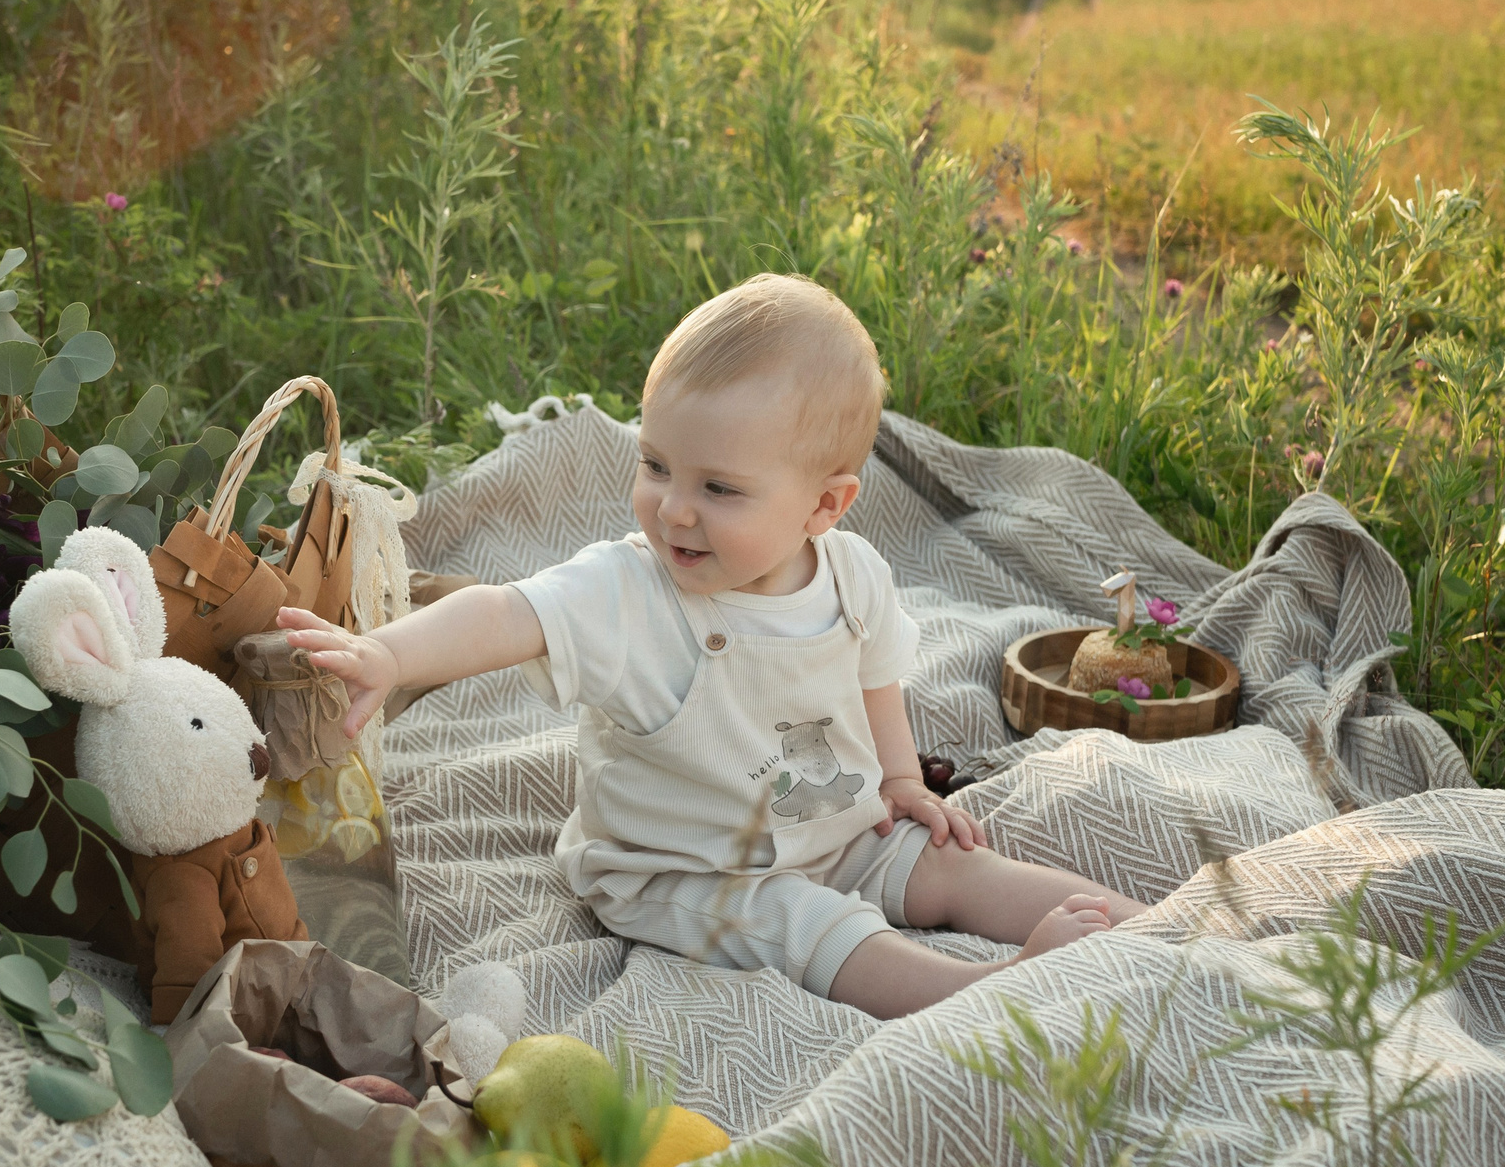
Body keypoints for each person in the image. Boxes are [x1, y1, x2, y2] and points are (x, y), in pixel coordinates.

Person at [279, 274, 1149, 1018]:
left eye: (718, 487)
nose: (674, 509)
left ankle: (1156, 922)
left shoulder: (853, 576)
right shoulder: (629, 591)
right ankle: (985, 987)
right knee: (817, 928)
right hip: (685, 870)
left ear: (825, 507)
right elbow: (507, 614)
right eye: (656, 465)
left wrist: (898, 780)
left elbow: (878, 675)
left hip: (835, 823)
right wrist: (391, 655)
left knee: (955, 863)